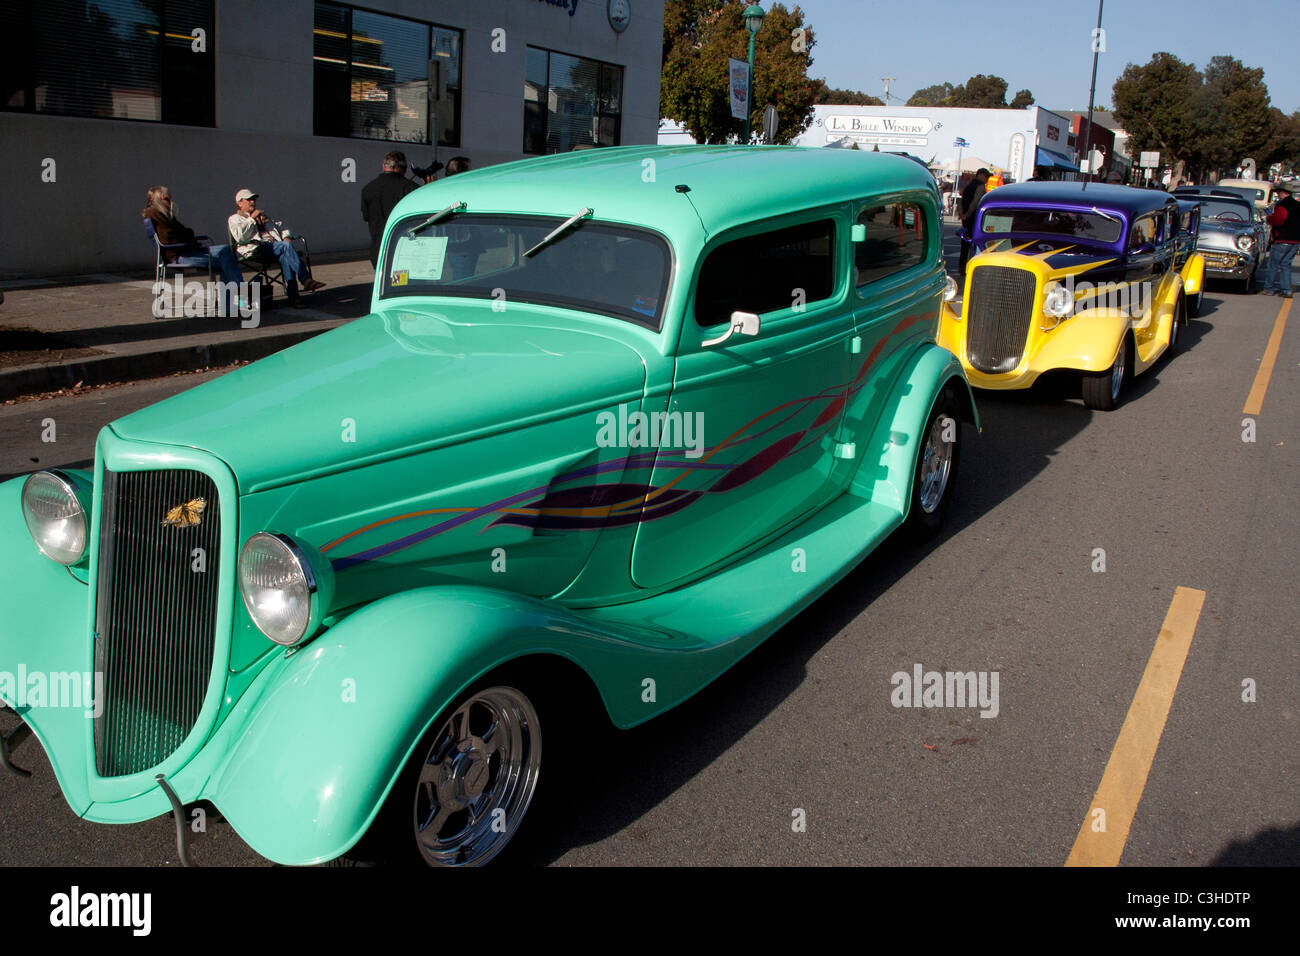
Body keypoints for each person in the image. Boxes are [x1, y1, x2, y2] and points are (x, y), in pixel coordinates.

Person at [228, 189, 323, 309]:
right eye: (249, 199)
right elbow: (241, 237)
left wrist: (286, 236)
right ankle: (305, 279)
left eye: (254, 199)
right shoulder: (235, 219)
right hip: (255, 249)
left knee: (285, 256)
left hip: (276, 247)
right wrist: (252, 219)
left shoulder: (263, 215)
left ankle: (295, 298)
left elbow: (281, 226)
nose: (252, 202)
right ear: (239, 203)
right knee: (286, 248)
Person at [142, 185, 244, 288]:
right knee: (226, 260)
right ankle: (241, 290)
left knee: (226, 251)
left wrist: (188, 236)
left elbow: (184, 232)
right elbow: (172, 238)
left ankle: (236, 293)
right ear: (162, 198)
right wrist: (189, 239)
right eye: (168, 199)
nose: (170, 202)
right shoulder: (156, 214)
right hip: (180, 255)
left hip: (186, 251)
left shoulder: (165, 216)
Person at [361, 151, 419, 267]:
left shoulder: (368, 188)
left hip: (378, 250)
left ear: (383, 166)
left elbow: (367, 219)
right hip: (404, 250)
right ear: (401, 168)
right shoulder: (410, 188)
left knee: (382, 284)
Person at [1261, 180, 1300, 298]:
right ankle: (1287, 290)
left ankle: (1269, 288)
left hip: (1282, 239)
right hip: (1295, 240)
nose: (1277, 194)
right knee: (1285, 265)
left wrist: (1269, 218)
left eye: (1278, 192)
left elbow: (1279, 220)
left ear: (1283, 193)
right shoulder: (1298, 205)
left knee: (1273, 265)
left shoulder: (1282, 205)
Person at [957, 167, 990, 277]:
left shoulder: (969, 185)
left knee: (964, 244)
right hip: (973, 219)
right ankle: (968, 268)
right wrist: (968, 214)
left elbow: (961, 200)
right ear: (979, 175)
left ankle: (962, 267)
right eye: (986, 176)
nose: (986, 179)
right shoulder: (980, 186)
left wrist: (961, 214)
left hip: (965, 218)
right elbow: (975, 202)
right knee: (973, 243)